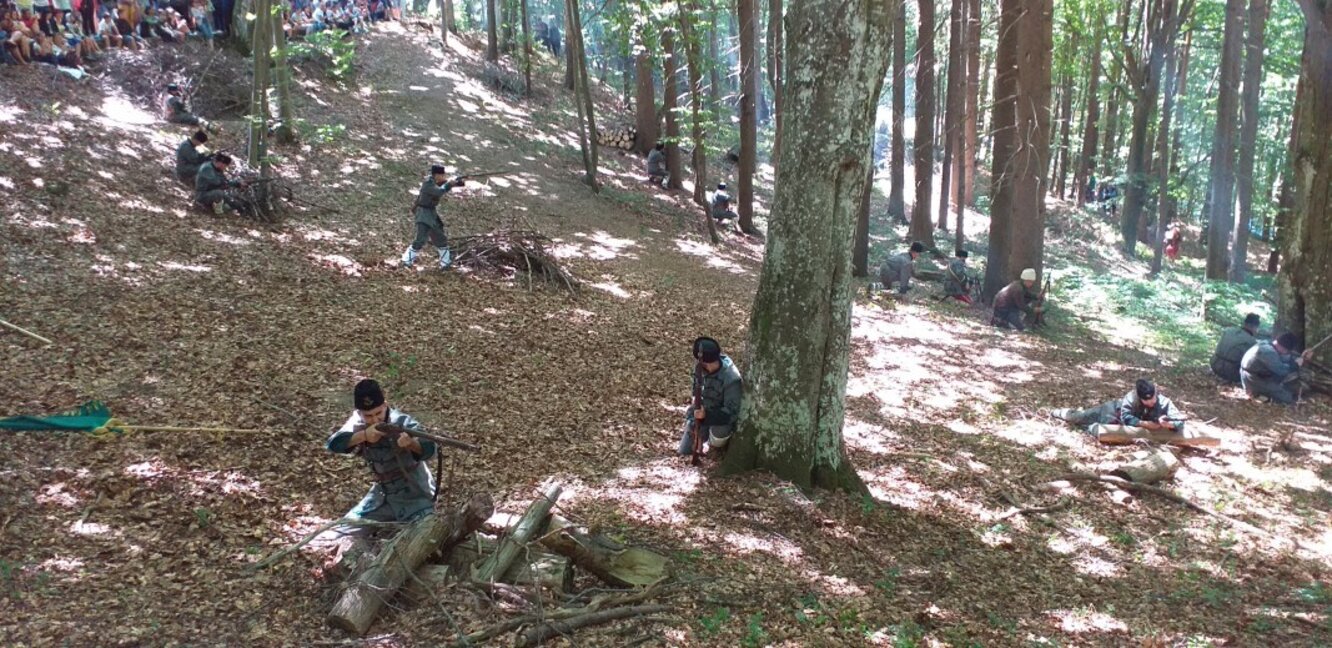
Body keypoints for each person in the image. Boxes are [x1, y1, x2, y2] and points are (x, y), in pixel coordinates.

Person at [326, 379, 438, 524]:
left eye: (379, 413)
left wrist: (411, 444)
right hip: (381, 498)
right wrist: (364, 435)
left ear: (385, 405)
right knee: (343, 529)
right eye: (368, 416)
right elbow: (334, 444)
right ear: (359, 413)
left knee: (425, 532)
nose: (374, 419)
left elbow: (430, 449)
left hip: (416, 496)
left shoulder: (402, 421)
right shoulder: (358, 422)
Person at [1050, 379, 1188, 444]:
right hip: (1110, 411)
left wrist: (1168, 425)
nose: (1151, 402)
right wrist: (1145, 424)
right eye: (1147, 400)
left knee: (1089, 428)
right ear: (1139, 397)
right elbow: (1127, 417)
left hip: (1116, 427)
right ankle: (1057, 412)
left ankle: (1088, 427)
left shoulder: (1165, 402)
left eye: (1153, 398)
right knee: (1078, 417)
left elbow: (1178, 422)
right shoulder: (1131, 398)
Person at [677, 337, 743, 457]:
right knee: (684, 452)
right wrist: (695, 401)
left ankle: (716, 448)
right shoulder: (699, 367)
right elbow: (695, 386)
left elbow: (732, 412)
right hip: (700, 414)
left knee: (720, 432)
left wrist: (707, 414)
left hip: (720, 419)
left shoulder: (731, 378)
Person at [401, 164, 465, 270]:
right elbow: (439, 191)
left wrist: (458, 181)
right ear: (437, 175)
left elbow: (450, 184)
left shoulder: (436, 182)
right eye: (442, 174)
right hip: (423, 213)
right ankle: (406, 260)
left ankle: (445, 262)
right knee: (421, 238)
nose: (444, 176)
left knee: (440, 237)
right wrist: (449, 183)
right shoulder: (428, 184)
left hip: (431, 213)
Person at [1240, 332, 1312, 404]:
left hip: (1255, 376)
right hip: (1254, 379)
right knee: (1287, 398)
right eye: (1286, 351)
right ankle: (1257, 394)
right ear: (1283, 348)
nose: (1286, 352)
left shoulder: (1267, 344)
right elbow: (1282, 371)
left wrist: (1301, 358)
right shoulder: (1268, 352)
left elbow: (1284, 359)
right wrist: (1296, 364)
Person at [1210, 313, 1260, 384]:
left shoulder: (1228, 330)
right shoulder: (1251, 342)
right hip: (1230, 373)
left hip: (1214, 364)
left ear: (1245, 323)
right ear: (1254, 327)